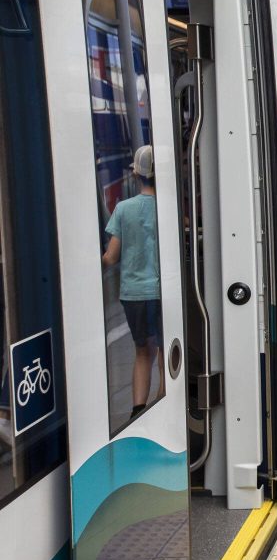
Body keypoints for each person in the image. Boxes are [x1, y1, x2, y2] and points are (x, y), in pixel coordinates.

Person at [102, 145, 164, 421]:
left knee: (142, 351)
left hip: (133, 295)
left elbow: (111, 257)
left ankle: (138, 411)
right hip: (163, 293)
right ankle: (163, 406)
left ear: (136, 174)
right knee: (165, 352)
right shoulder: (168, 209)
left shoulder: (123, 209)